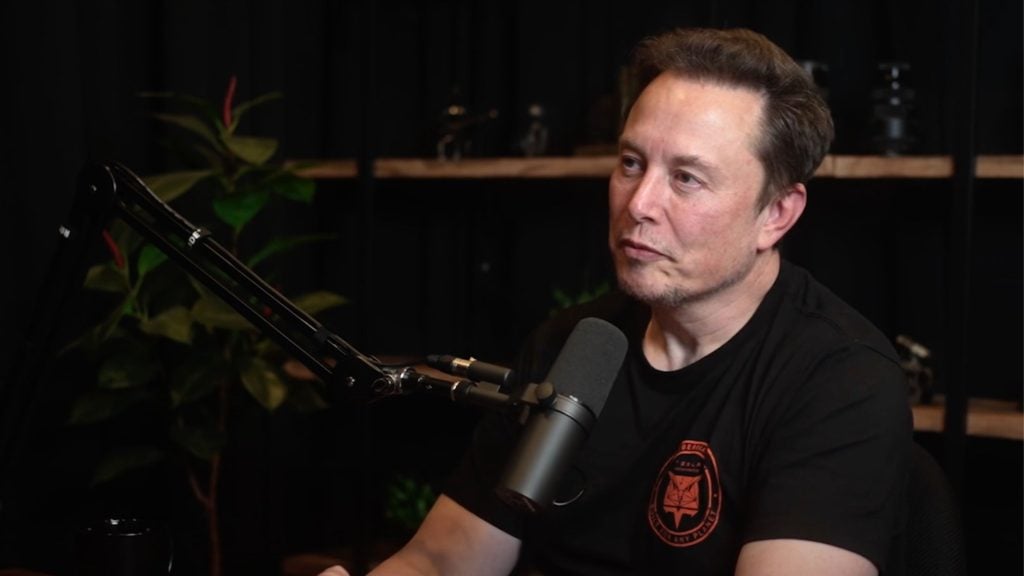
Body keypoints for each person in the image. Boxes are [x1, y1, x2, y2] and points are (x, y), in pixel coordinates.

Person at [321, 26, 911, 576]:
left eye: (687, 178)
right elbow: (442, 562)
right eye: (631, 163)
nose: (639, 203)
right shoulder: (574, 344)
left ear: (776, 214)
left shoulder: (841, 380)